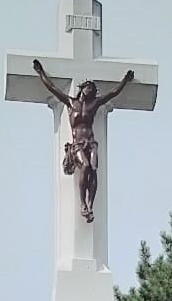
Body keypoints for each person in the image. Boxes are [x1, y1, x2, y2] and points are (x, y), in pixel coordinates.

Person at [32, 59, 134, 223]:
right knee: (85, 166)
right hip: (77, 145)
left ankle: (90, 205)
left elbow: (113, 93)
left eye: (93, 89)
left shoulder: (94, 104)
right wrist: (41, 72)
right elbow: (52, 88)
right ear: (83, 88)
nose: (91, 90)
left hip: (91, 143)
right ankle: (83, 204)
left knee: (93, 169)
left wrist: (125, 80)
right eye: (89, 87)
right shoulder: (71, 103)